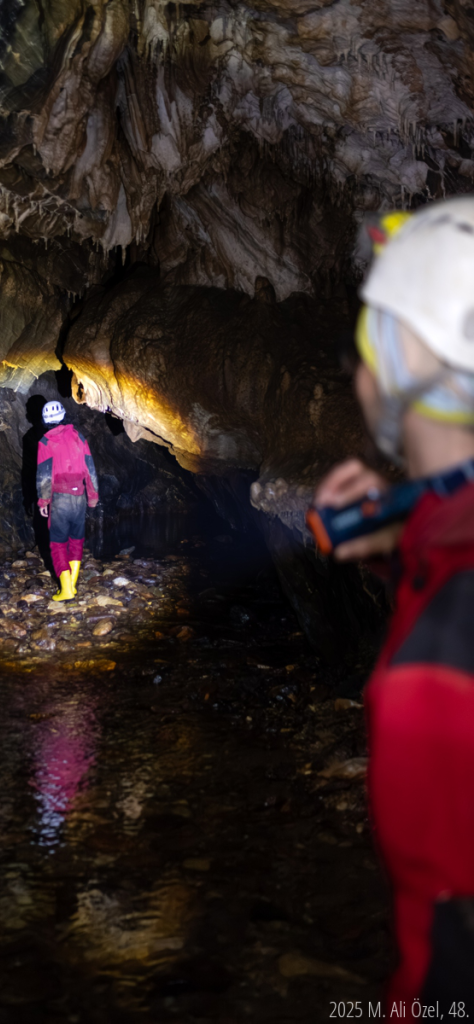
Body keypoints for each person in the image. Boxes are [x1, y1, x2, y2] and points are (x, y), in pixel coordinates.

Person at [314, 197, 474, 1008]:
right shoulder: (443, 535)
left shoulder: (436, 666)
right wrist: (403, 544)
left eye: (369, 339)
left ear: (409, 356)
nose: (357, 368)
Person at [36, 400, 99, 602]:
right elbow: (90, 469)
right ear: (64, 416)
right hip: (79, 498)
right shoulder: (78, 437)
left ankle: (66, 589)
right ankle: (71, 585)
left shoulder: (45, 442)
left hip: (60, 499)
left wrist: (44, 501)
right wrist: (93, 497)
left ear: (45, 421)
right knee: (76, 541)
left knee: (58, 545)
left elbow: (44, 475)